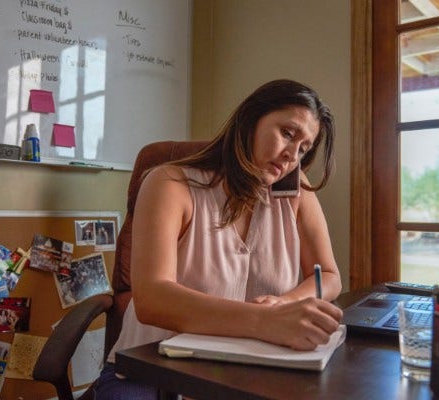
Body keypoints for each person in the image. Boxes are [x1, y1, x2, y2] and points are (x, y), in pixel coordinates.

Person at [95, 79, 343, 399]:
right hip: (148, 372)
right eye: (287, 133)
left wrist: (284, 304)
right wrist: (266, 321)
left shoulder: (293, 191)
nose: (291, 156)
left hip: (241, 371)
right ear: (250, 119)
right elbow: (152, 299)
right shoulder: (169, 183)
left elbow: (330, 276)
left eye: (304, 148)